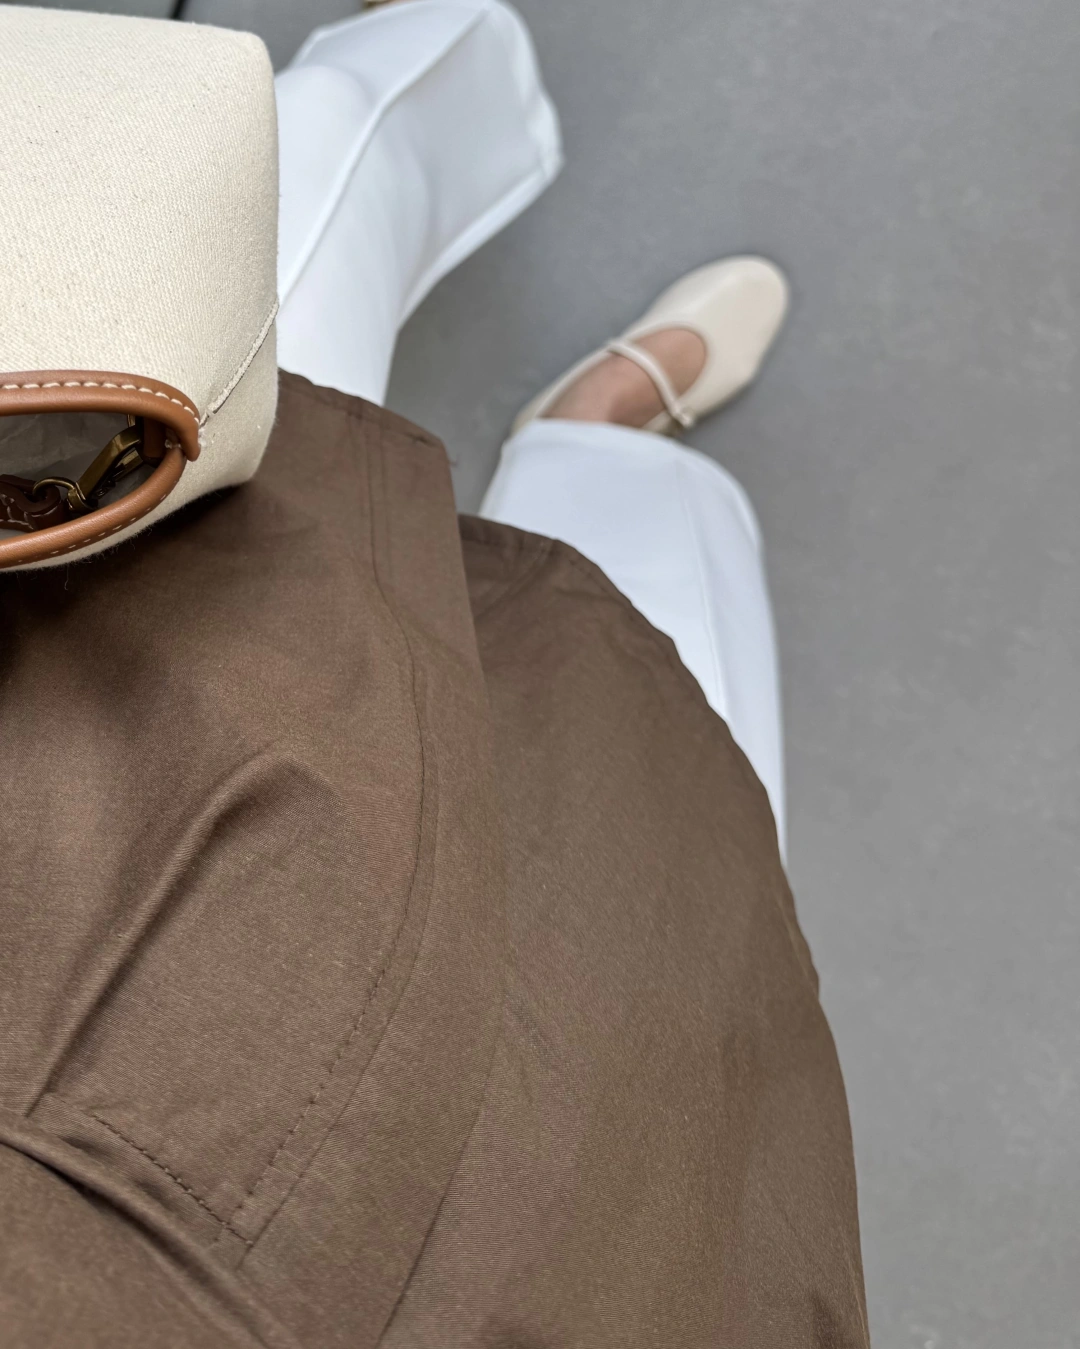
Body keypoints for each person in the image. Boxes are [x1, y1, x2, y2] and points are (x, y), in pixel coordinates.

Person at [0, 2, 869, 1346]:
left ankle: (454, 63)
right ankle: (600, 443)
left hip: (105, 755)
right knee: (661, 773)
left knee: (264, 218)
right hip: (519, 1240)